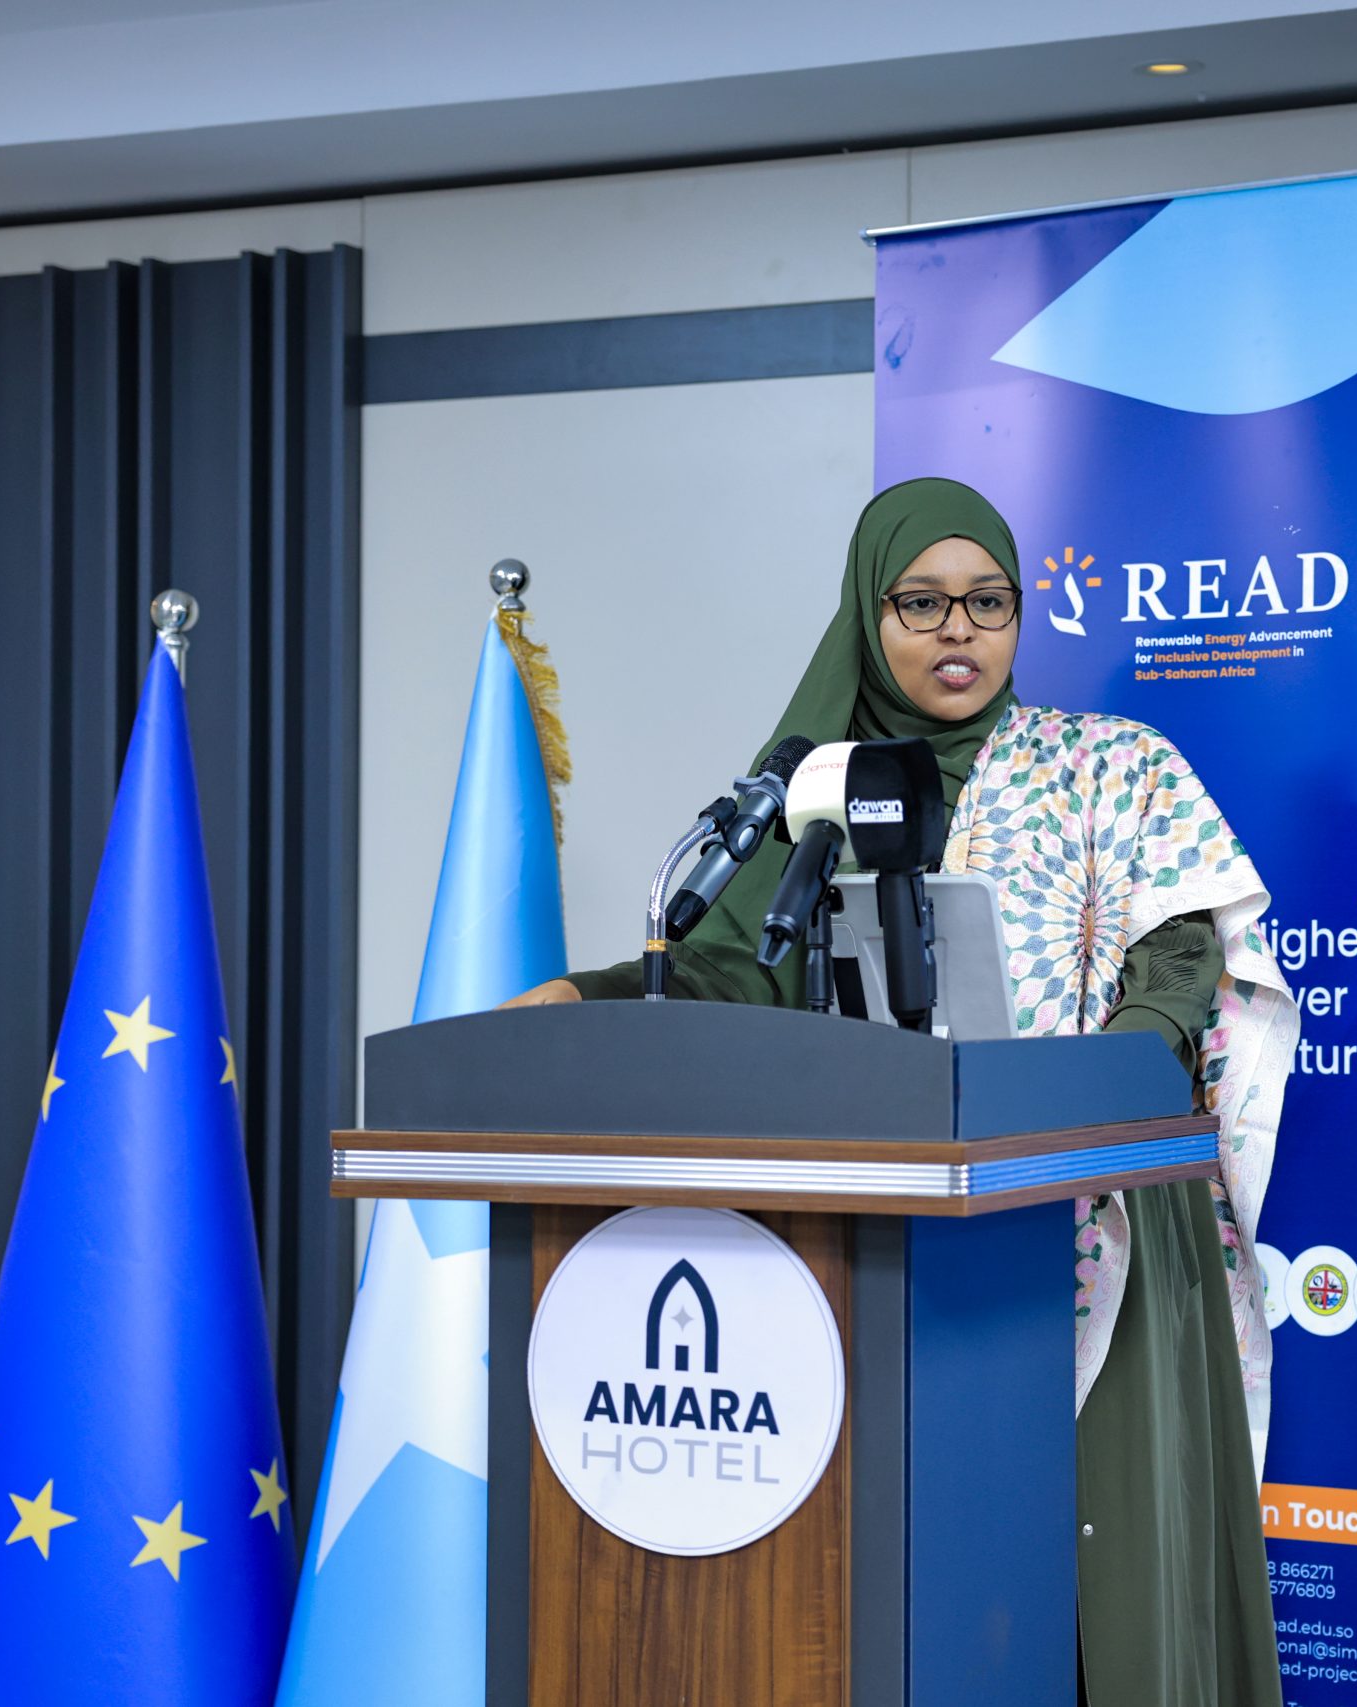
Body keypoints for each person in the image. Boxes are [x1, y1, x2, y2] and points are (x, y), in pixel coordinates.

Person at [512, 477, 1298, 1706]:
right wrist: (589, 992)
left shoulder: (1113, 765)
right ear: (867, 617)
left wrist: (1099, 1078)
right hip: (881, 1236)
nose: (958, 631)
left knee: (1101, 1575)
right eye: (920, 603)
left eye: (989, 602)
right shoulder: (822, 793)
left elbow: (1180, 955)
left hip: (1088, 1214)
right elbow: (733, 969)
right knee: (915, 1585)